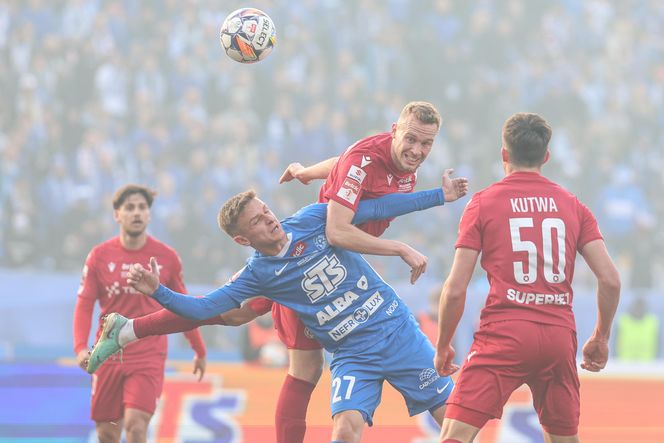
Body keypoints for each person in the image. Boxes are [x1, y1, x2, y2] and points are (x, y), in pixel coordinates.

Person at [90, 182, 463, 443]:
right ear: (242, 240)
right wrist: (158, 291)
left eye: (266, 211)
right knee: (344, 428)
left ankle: (130, 330)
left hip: (397, 331)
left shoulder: (314, 218)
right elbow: (204, 308)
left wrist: (439, 196)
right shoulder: (258, 274)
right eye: (257, 221)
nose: (269, 220)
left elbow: (377, 207)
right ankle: (129, 330)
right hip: (352, 353)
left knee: (452, 419)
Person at [273, 101, 458, 442]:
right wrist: (400, 247)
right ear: (394, 130)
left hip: (340, 274)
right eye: (411, 139)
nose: (417, 150)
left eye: (426, 144)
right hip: (309, 271)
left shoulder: (403, 169)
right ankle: (142, 325)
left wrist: (306, 172)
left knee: (234, 314)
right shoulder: (366, 158)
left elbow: (342, 163)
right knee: (302, 367)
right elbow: (337, 230)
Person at [434, 113, 621, 443]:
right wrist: (601, 336)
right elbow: (610, 280)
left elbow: (455, 288)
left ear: (504, 154)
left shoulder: (483, 203)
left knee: (454, 437)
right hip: (557, 338)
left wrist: (444, 343)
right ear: (546, 157)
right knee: (564, 438)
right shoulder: (573, 206)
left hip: (504, 334)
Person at [73, 184, 207, 443]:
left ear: (149, 214)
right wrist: (80, 347)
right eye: (130, 207)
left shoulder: (167, 257)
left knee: (135, 426)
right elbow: (84, 304)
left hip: (148, 353)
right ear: (117, 215)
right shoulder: (99, 256)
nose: (137, 213)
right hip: (108, 352)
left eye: (142, 207)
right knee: (107, 433)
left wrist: (199, 349)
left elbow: (185, 307)